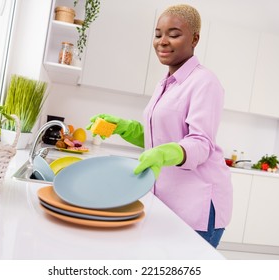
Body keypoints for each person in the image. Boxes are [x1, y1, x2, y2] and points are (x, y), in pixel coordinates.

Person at [87, 4, 232, 248]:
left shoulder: (205, 82)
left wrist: (165, 153)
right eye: (158, 34)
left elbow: (201, 143)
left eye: (174, 34)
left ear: (195, 39)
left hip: (197, 205)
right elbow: (159, 138)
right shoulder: (165, 84)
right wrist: (124, 128)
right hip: (167, 200)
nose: (163, 41)